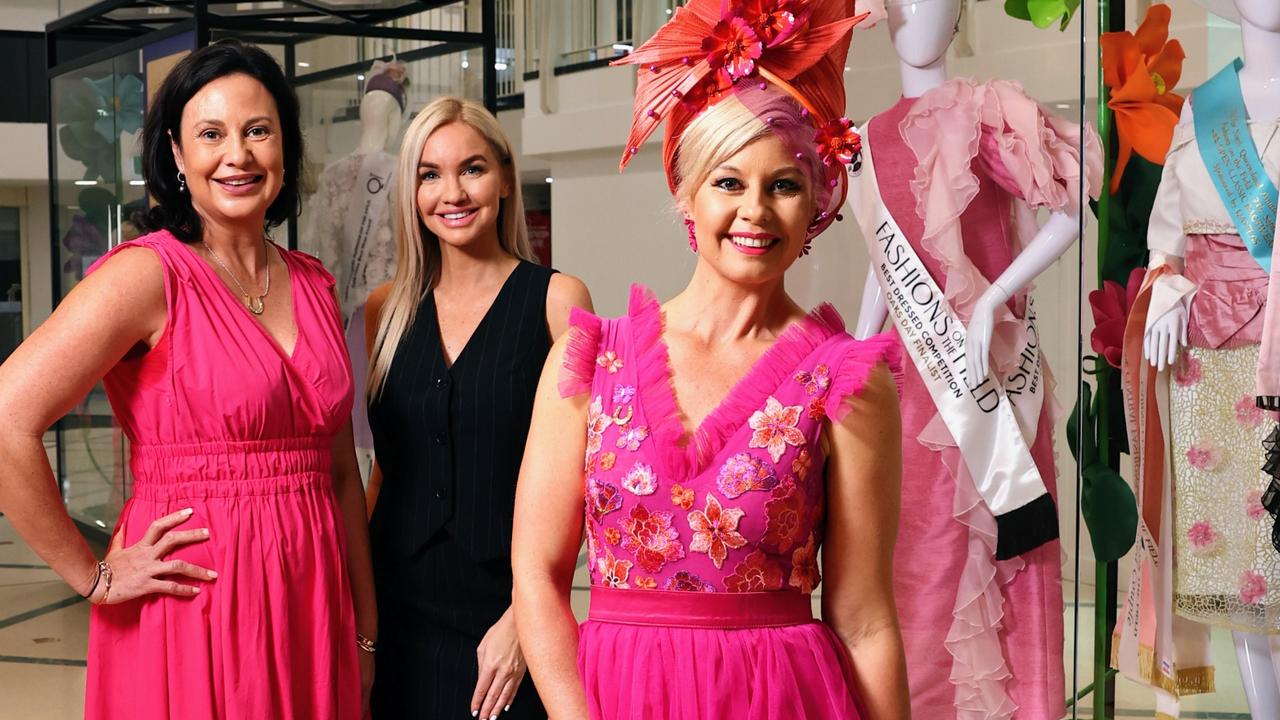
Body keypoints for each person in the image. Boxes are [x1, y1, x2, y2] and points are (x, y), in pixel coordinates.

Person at [510, 1, 910, 717]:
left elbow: (865, 617)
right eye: (729, 182)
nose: (754, 211)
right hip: (616, 696)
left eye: (783, 185)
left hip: (782, 698)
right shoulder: (589, 361)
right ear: (686, 194)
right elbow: (536, 577)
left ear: (817, 202)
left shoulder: (846, 380)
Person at [0, 39, 374, 718]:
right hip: (195, 603)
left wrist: (366, 628)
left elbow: (341, 473)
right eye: (211, 134)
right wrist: (93, 577)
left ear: (284, 147)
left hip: (309, 601)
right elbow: (5, 418)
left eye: (258, 131)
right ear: (176, 155)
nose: (238, 154)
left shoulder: (315, 284)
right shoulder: (146, 276)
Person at [363, 96, 591, 720]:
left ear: (506, 178)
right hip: (398, 611)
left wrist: (527, 618)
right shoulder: (385, 309)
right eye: (429, 174)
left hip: (505, 606)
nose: (452, 192)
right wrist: (357, 609)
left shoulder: (557, 301)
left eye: (473, 168)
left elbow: (583, 482)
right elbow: (386, 468)